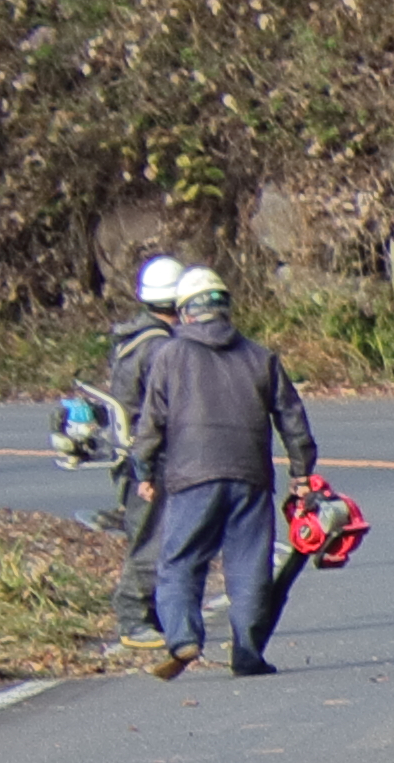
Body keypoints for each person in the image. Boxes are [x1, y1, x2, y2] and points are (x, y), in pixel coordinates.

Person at [123, 267, 319, 681]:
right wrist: (302, 473)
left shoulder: (169, 356)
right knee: (250, 566)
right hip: (251, 478)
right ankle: (247, 654)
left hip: (191, 478)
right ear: (226, 308)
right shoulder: (260, 357)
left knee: (179, 562)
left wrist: (144, 468)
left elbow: (152, 421)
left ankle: (182, 638)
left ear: (185, 313)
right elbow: (292, 419)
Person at [92, 256, 186, 653]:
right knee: (154, 536)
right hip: (152, 455)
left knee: (150, 533)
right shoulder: (161, 348)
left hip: (133, 452)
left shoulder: (133, 339)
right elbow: (168, 406)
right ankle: (133, 616)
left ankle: (154, 614)